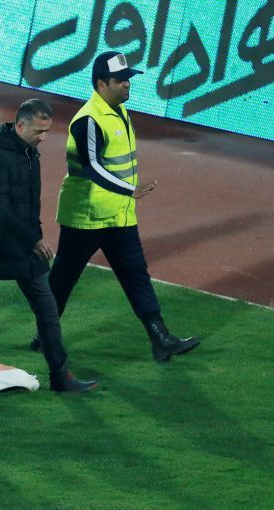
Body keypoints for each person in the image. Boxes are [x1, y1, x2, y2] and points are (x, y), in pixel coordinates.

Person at [31, 51, 199, 362]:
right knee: (64, 278)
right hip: (86, 217)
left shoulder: (118, 112)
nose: (126, 84)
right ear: (101, 84)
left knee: (136, 274)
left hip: (118, 215)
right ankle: (44, 335)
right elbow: (92, 167)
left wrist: (125, 197)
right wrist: (129, 190)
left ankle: (160, 338)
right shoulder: (88, 120)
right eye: (119, 80)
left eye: (127, 79)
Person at [0, 99, 97, 393]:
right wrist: (34, 239)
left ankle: (60, 376)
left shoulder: (29, 152)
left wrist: (32, 238)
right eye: (38, 131)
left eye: (46, 131)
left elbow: (26, 206)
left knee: (48, 310)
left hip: (24, 248)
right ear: (20, 125)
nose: (43, 137)